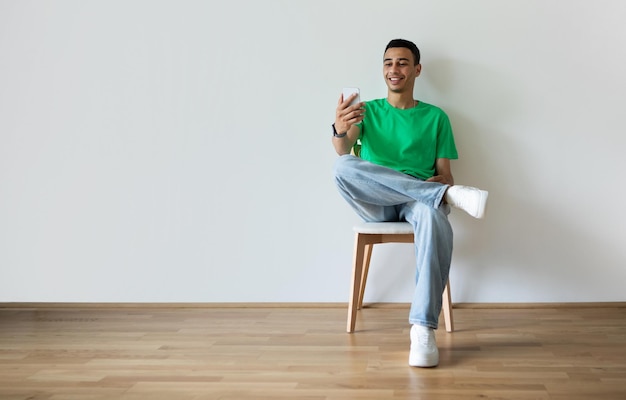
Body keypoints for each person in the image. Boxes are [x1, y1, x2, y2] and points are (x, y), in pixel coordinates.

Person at [331, 39, 488, 368]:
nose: (394, 69)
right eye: (388, 63)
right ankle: (441, 199)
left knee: (432, 216)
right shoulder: (368, 111)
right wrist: (339, 128)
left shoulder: (436, 117)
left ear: (417, 70)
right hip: (376, 202)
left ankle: (423, 329)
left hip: (419, 200)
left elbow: (445, 174)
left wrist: (442, 186)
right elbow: (344, 151)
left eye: (402, 63)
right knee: (342, 167)